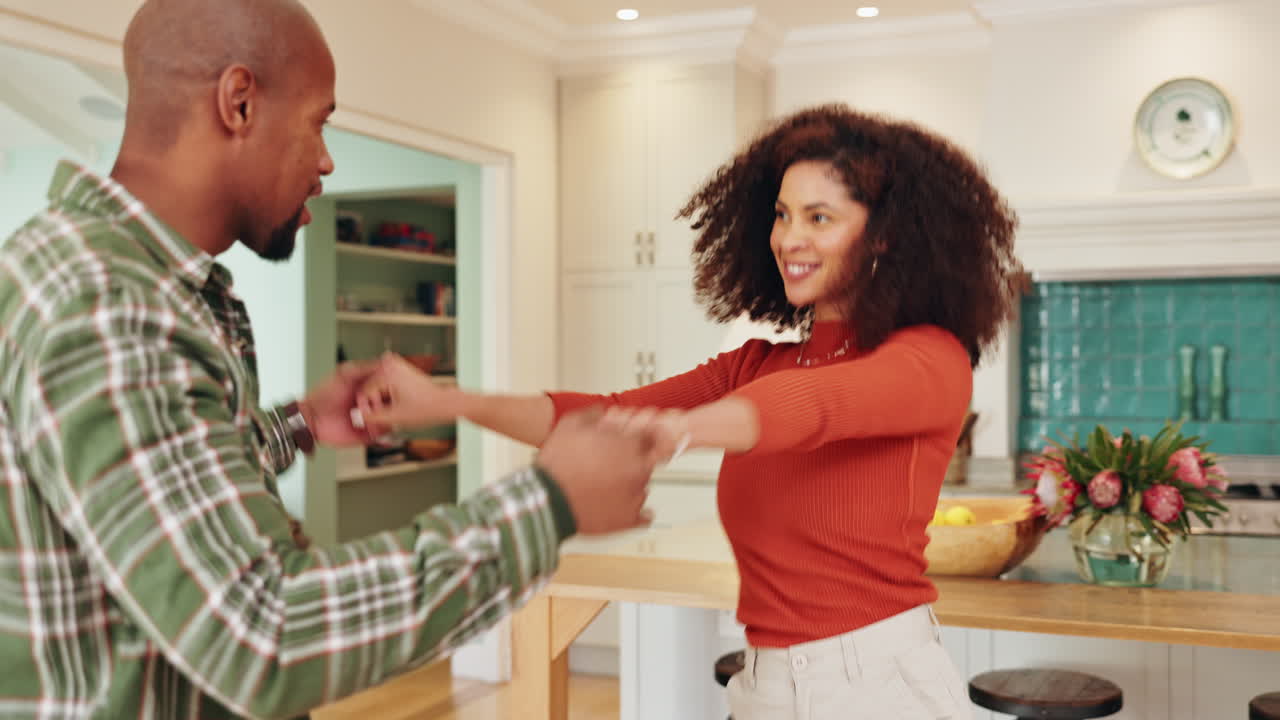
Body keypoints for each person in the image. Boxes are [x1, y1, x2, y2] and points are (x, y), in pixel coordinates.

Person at [0, 1, 658, 718]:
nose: (326, 159)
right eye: (318, 120)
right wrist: (546, 504)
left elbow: (155, 490)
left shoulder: (117, 281)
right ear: (239, 102)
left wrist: (299, 424)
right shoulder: (108, 305)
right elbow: (262, 634)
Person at [356, 104, 1024, 718]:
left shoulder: (929, 359)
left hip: (877, 683)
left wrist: (676, 430)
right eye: (782, 213)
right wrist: (447, 400)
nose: (789, 237)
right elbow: (597, 412)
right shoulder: (756, 362)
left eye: (819, 217)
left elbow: (813, 407)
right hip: (764, 680)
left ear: (883, 238)